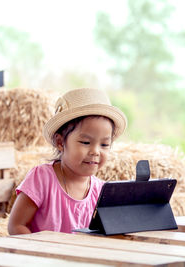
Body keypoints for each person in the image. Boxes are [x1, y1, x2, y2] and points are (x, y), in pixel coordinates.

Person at [8, 88, 127, 234]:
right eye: (85, 142)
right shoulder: (42, 178)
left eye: (104, 145)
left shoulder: (101, 192)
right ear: (60, 142)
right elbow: (16, 225)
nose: (96, 151)